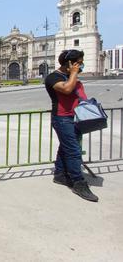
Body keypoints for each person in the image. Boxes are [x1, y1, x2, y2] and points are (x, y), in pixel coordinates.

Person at [44, 49, 98, 202]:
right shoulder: (53, 77)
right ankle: (78, 183)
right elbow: (67, 89)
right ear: (69, 63)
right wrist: (74, 73)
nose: (80, 66)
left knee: (65, 147)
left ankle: (60, 175)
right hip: (62, 118)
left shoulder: (71, 76)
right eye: (78, 63)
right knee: (74, 150)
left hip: (76, 117)